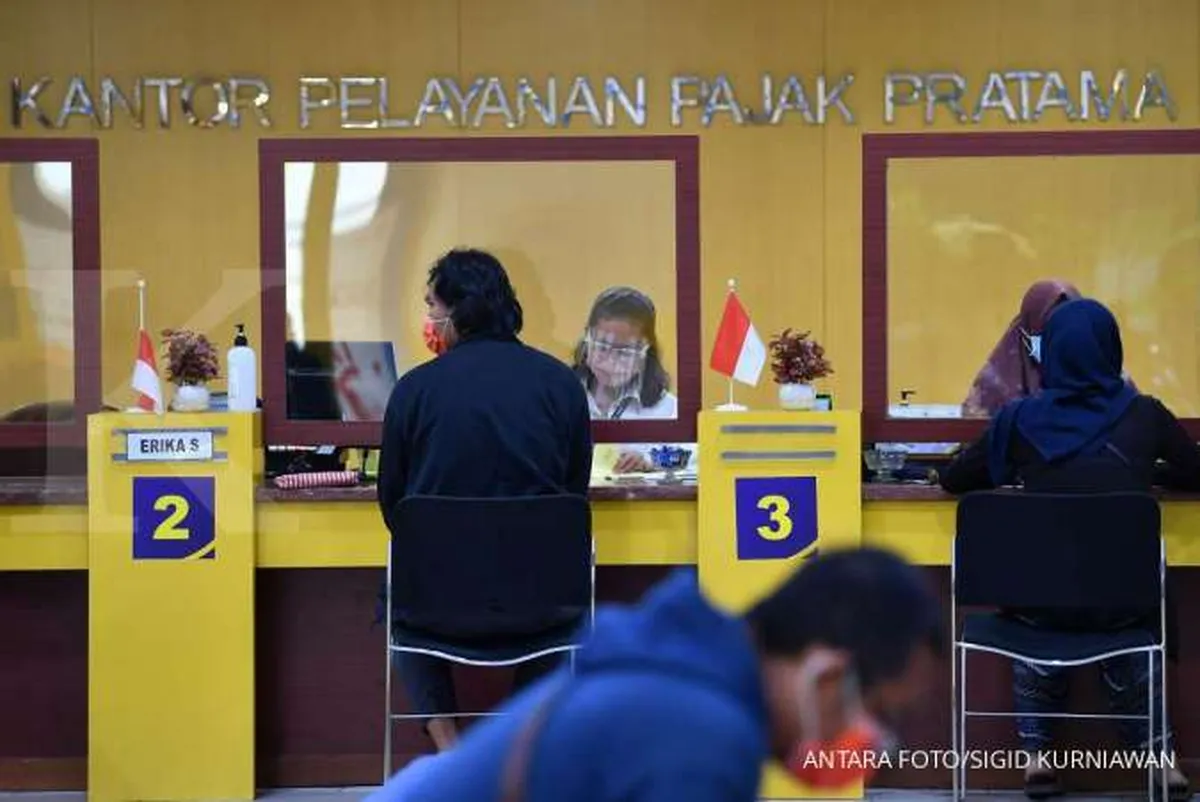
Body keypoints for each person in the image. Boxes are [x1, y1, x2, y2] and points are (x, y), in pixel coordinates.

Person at [367, 547, 943, 802]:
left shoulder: (675, 670)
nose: (881, 741)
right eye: (883, 712)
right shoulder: (702, 735)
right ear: (826, 677)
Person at [940, 298, 1200, 800]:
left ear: (1051, 354)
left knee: (1035, 603)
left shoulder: (1018, 419)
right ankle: (1162, 766)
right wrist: (1146, 473)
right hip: (1122, 607)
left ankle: (1037, 759)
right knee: (1124, 613)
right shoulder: (1145, 415)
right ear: (1112, 350)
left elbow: (957, 479)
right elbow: (1195, 470)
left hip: (1038, 612)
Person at [378, 248, 594, 753]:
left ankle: (450, 747)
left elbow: (394, 503)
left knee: (399, 584)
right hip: (543, 599)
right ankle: (515, 741)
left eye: (432, 305)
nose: (429, 318)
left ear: (458, 309)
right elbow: (572, 491)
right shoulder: (561, 385)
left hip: (435, 600)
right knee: (565, 588)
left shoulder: (414, 390)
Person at [571, 287, 676, 473]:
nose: (611, 361)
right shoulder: (563, 394)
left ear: (645, 352)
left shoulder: (667, 409)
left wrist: (649, 462)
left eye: (625, 352)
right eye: (602, 346)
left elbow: (692, 459)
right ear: (587, 337)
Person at [962, 279, 1081, 418]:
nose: (1055, 340)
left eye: (1063, 331)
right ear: (1027, 329)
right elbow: (974, 430)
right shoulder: (995, 388)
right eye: (1046, 330)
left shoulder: (1098, 386)